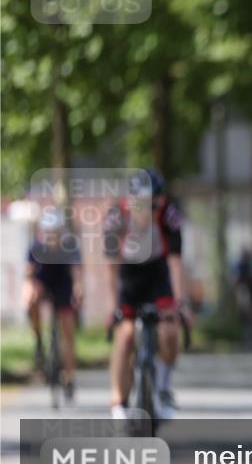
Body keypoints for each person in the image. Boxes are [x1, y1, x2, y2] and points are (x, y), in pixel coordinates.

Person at [103, 168, 193, 420]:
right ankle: (118, 400)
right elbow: (111, 268)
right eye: (141, 205)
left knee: (170, 330)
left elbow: (176, 264)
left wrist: (182, 304)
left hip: (157, 273)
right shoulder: (116, 218)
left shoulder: (169, 217)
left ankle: (163, 387)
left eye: (153, 206)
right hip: (128, 275)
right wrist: (113, 307)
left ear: (161, 202)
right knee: (126, 335)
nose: (147, 212)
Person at [23, 207, 82, 400]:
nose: (51, 237)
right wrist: (30, 289)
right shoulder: (36, 246)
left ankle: (69, 376)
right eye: (48, 233)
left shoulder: (70, 245)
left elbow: (76, 273)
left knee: (67, 329)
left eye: (54, 233)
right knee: (30, 298)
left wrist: (78, 289)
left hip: (63, 284)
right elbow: (29, 273)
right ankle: (39, 340)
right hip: (44, 282)